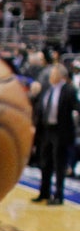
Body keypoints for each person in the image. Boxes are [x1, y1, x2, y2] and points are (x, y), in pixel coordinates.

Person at [32, 62, 77, 206]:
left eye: (54, 73)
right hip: (46, 130)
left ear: (61, 75)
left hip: (60, 132)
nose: (51, 75)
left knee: (59, 165)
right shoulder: (46, 88)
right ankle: (43, 192)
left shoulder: (69, 90)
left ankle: (58, 195)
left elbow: (76, 106)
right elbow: (39, 107)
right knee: (44, 163)